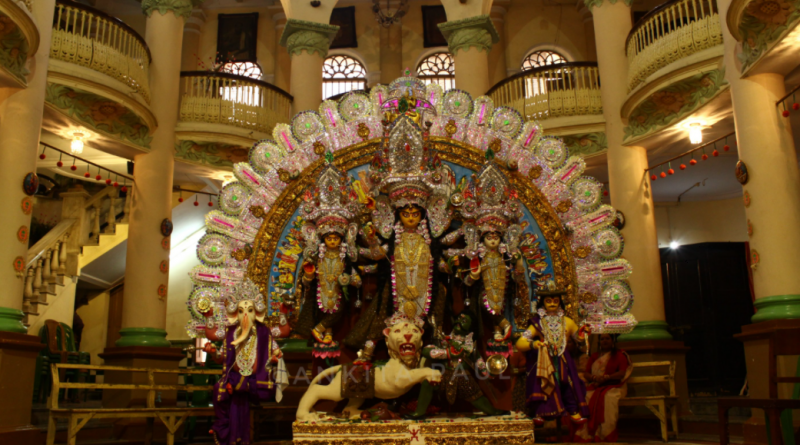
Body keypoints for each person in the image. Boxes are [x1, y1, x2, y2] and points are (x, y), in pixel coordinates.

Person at [515, 281, 590, 426]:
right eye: (548, 301)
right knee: (544, 382)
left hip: (562, 358)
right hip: (544, 360)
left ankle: (573, 410)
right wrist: (534, 344)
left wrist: (583, 334)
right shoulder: (537, 323)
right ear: (543, 303)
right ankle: (540, 413)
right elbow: (520, 343)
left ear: (560, 303)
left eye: (555, 301)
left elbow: (579, 341)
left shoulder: (568, 322)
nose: (552, 304)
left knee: (565, 382)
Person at [573, 334, 633, 443]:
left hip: (615, 386)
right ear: (599, 341)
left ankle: (606, 433)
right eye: (602, 339)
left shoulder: (619, 355)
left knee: (608, 398)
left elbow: (621, 373)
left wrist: (608, 378)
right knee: (586, 396)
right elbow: (587, 373)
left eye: (607, 338)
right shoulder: (595, 356)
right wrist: (594, 377)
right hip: (597, 386)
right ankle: (590, 433)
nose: (605, 341)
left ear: (612, 340)